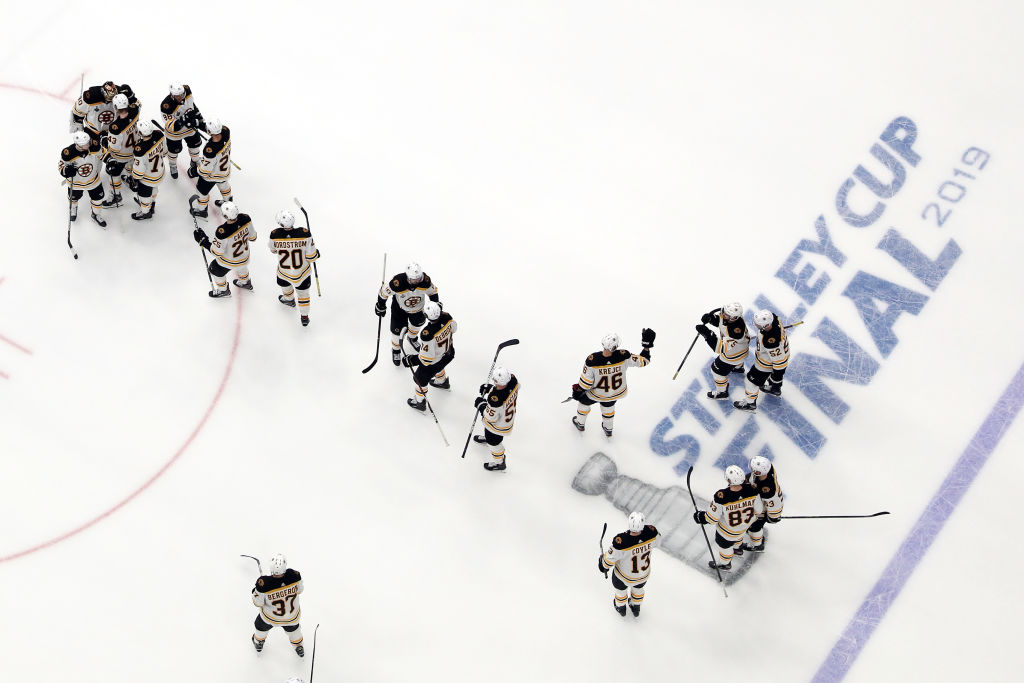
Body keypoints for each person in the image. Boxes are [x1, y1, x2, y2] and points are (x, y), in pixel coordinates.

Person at [571, 329, 655, 437]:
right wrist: (646, 346)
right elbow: (644, 361)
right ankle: (608, 429)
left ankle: (580, 423)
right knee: (608, 408)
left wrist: (578, 391)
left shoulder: (592, 360)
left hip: (597, 394)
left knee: (583, 403)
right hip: (615, 393)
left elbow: (585, 384)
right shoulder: (624, 355)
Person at [693, 465, 764, 570]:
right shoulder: (752, 490)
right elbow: (759, 510)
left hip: (726, 532)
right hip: (744, 527)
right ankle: (738, 548)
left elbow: (712, 519)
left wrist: (700, 517)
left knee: (724, 547)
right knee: (738, 536)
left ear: (729, 480)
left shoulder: (722, 496)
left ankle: (725, 564)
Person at [374, 263, 440, 366]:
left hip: (418, 309)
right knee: (396, 332)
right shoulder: (397, 283)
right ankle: (396, 350)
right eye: (414, 279)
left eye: (418, 278)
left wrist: (435, 304)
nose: (417, 281)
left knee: (417, 325)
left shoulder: (425, 282)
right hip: (399, 310)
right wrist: (381, 305)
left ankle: (412, 338)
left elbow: (433, 292)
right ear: (408, 277)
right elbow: (384, 292)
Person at [599, 511, 660, 617]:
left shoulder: (622, 542)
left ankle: (621, 608)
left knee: (621, 592)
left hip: (623, 577)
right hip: (642, 575)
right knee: (638, 590)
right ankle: (636, 607)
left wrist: (602, 564)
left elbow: (609, 560)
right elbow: (658, 542)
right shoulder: (652, 533)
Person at [192, 202, 257, 298]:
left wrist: (204, 241)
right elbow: (253, 237)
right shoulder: (246, 218)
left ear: (225, 215)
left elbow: (216, 252)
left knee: (214, 269)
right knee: (241, 265)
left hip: (229, 261)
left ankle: (223, 291)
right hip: (245, 257)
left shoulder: (223, 231)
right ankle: (245, 282)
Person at [268, 210, 319, 326]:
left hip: (284, 272)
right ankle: (304, 317)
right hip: (302, 273)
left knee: (285, 285)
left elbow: (273, 250)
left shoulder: (274, 234)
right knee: (303, 295)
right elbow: (311, 257)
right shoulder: (305, 233)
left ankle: (289, 299)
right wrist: (317, 254)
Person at [733, 309, 790, 412]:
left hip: (764, 365)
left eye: (758, 325)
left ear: (766, 325)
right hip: (778, 356)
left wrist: (777, 373)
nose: (756, 326)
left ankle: (750, 404)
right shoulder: (774, 318)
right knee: (774, 377)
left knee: (750, 381)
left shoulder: (771, 341)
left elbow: (779, 361)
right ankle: (775, 388)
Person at [251, 554, 305, 658]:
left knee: (260, 625)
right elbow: (300, 590)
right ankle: (298, 646)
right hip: (292, 617)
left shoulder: (264, 584)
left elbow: (258, 603)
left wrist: (256, 591)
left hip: (271, 618)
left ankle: (258, 643)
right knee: (294, 630)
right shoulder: (294, 576)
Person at [404, 302, 455, 412]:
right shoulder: (447, 317)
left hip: (435, 361)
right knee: (439, 364)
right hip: (449, 353)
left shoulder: (427, 334)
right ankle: (441, 381)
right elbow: (454, 329)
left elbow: (427, 359)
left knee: (419, 379)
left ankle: (420, 402)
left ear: (427, 316)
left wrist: (412, 360)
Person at [695, 302, 751, 400]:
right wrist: (712, 319)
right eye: (724, 313)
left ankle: (722, 392)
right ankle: (738, 367)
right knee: (736, 359)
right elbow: (722, 322)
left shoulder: (735, 332)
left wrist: (707, 334)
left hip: (734, 355)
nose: (723, 316)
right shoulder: (733, 319)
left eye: (727, 315)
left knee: (716, 370)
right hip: (743, 349)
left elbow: (719, 348)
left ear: (734, 318)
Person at [473, 366, 519, 472]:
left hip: (498, 426)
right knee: (489, 433)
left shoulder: (495, 400)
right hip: (505, 419)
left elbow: (490, 418)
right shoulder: (513, 382)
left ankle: (500, 463)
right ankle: (487, 438)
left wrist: (481, 405)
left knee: (494, 443)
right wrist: (491, 389)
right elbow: (504, 392)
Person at [59, 131, 108, 227]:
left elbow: (103, 153)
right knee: (73, 199)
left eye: (89, 142)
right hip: (76, 184)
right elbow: (61, 165)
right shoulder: (68, 153)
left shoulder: (93, 147)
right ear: (80, 146)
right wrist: (66, 171)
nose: (89, 144)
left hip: (93, 180)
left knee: (98, 199)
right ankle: (73, 209)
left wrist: (111, 161)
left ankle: (96, 214)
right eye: (86, 144)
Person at [100, 93, 140, 209]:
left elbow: (114, 148)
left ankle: (116, 196)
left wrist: (105, 141)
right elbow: (138, 104)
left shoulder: (115, 127)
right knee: (133, 168)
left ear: (116, 107)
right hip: (136, 151)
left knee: (114, 174)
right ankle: (133, 182)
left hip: (122, 155)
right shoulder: (135, 111)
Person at [188, 119, 233, 218]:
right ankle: (228, 202)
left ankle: (202, 210)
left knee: (201, 192)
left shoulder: (210, 150)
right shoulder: (226, 132)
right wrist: (199, 124)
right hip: (224, 171)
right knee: (224, 185)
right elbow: (213, 130)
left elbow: (205, 171)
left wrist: (194, 171)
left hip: (212, 176)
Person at [159, 82, 204, 179]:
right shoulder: (166, 106)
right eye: (177, 96)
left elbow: (192, 105)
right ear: (172, 95)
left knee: (195, 146)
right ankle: (172, 165)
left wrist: (198, 118)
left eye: (181, 95)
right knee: (174, 152)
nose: (180, 97)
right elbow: (173, 126)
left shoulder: (187, 90)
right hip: (174, 134)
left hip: (189, 129)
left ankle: (195, 161)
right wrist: (185, 119)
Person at [742, 455, 783, 552]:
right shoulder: (767, 470)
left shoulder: (768, 490)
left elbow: (774, 504)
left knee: (754, 527)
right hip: (760, 501)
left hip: (764, 509)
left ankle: (757, 545)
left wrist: (773, 516)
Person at [70, 80, 138, 138]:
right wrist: (78, 123)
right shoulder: (91, 98)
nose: (112, 99)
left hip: (113, 131)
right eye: (110, 96)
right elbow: (77, 112)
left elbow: (134, 106)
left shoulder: (120, 96)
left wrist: (131, 97)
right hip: (93, 131)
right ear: (103, 92)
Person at [128, 120, 165, 220]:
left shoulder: (140, 149)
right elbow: (164, 151)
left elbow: (139, 171)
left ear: (140, 133)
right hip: (160, 172)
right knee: (154, 188)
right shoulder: (159, 135)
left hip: (148, 178)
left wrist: (134, 178)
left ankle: (145, 212)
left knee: (144, 195)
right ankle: (152, 204)